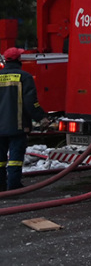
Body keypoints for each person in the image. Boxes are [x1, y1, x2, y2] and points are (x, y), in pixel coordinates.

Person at [0, 47, 48, 191]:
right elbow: (30, 102)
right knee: (15, 159)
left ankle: (1, 186)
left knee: (0, 160)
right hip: (17, 125)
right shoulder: (24, 77)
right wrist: (41, 117)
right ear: (19, 60)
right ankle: (14, 186)